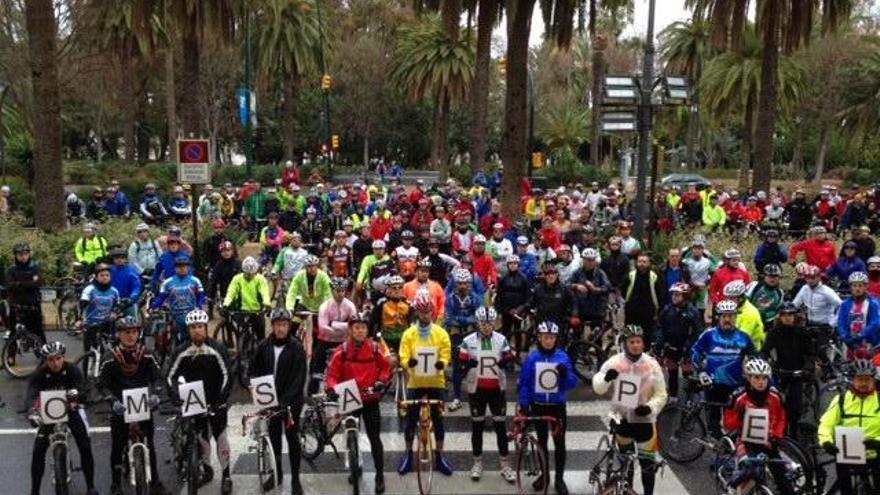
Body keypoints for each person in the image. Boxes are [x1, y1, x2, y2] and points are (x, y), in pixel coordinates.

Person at [592, 325, 668, 495]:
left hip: (645, 423)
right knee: (626, 468)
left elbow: (661, 395)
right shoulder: (615, 362)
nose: (635, 345)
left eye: (638, 342)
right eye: (631, 342)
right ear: (624, 344)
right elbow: (598, 387)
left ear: (643, 344)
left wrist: (649, 408)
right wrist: (605, 379)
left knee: (647, 467)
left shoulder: (651, 364)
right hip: (622, 421)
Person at [165, 309, 233, 494]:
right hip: (194, 400)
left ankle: (226, 475)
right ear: (188, 330)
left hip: (216, 399)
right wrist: (175, 397)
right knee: (201, 438)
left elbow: (228, 375)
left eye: (200, 327)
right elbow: (169, 376)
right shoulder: (181, 351)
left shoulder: (217, 348)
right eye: (193, 327)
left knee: (221, 437)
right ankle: (207, 470)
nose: (197, 331)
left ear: (206, 328)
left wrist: (221, 399)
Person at [325, 311, 392, 493]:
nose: (360, 331)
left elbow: (385, 369)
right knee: (349, 436)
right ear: (351, 330)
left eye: (363, 328)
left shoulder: (375, 348)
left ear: (367, 330)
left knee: (374, 438)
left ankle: (379, 474)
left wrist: (381, 381)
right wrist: (331, 388)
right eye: (356, 328)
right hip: (350, 398)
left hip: (370, 398)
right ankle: (354, 464)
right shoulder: (342, 351)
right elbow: (332, 375)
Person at [99, 317, 167, 495]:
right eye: (126, 332)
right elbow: (101, 384)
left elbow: (157, 377)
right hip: (120, 405)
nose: (130, 336)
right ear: (119, 334)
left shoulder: (147, 354)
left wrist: (156, 395)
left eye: (134, 332)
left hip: (143, 404)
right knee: (117, 443)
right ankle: (115, 484)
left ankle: (155, 481)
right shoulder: (110, 357)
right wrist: (112, 401)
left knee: (150, 443)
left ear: (139, 333)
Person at [248, 309, 308, 495]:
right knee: (274, 438)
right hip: (270, 401)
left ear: (288, 326)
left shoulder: (297, 347)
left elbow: (299, 379)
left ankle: (296, 479)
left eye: (284, 325)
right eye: (277, 325)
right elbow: (253, 369)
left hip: (291, 403)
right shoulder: (263, 346)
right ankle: (278, 473)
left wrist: (285, 402)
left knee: (292, 439)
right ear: (272, 326)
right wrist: (253, 385)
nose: (281, 329)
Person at [27, 342, 98, 495]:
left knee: (85, 445)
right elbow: (31, 395)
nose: (55, 363)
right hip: (49, 413)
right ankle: (34, 491)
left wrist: (78, 394)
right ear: (46, 360)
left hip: (71, 410)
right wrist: (31, 412)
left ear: (63, 357)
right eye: (50, 360)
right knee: (38, 450)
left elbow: (84, 390)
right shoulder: (39, 374)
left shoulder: (72, 370)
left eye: (58, 358)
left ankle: (90, 486)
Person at [518, 321, 578, 495]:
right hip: (538, 406)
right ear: (539, 338)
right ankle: (545, 475)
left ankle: (559, 478)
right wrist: (524, 404)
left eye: (552, 338)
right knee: (541, 441)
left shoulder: (563, 357)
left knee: (559, 443)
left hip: (557, 406)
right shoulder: (532, 358)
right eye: (545, 337)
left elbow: (572, 384)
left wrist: (565, 375)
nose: (549, 341)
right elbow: (524, 384)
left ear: (556, 339)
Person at [397, 295, 454, 476]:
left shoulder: (441, 333)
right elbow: (403, 355)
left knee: (438, 420)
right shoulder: (409, 334)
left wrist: (442, 363)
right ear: (417, 313)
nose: (425, 315)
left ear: (432, 312)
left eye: (428, 311)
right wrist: (408, 363)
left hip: (436, 382)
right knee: (411, 421)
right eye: (421, 312)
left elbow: (446, 353)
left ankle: (439, 456)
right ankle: (408, 455)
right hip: (416, 382)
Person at [459, 306, 517, 483]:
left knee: (500, 427)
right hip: (476, 390)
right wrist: (467, 364)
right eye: (483, 323)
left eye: (489, 323)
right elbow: (460, 366)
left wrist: (507, 361)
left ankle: (505, 465)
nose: (486, 327)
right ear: (478, 323)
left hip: (497, 390)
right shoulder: (467, 340)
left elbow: (509, 358)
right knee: (477, 427)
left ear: (494, 323)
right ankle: (477, 463)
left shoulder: (501, 339)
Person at [723, 359, 794, 495]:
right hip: (745, 442)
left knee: (783, 479)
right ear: (748, 378)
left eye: (764, 378)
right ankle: (731, 487)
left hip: (768, 442)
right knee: (749, 470)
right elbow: (728, 423)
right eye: (756, 377)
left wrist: (777, 435)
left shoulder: (775, 396)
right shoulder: (739, 397)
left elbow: (781, 418)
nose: (761, 382)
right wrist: (741, 418)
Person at [691, 299, 757, 437]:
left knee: (733, 424)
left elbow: (755, 359)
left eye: (731, 316)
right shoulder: (708, 335)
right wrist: (701, 372)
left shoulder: (744, 337)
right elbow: (695, 352)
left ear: (735, 317)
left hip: (734, 387)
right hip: (712, 386)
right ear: (718, 317)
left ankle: (729, 450)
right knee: (713, 426)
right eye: (724, 316)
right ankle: (717, 450)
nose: (728, 319)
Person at [818, 359, 880, 493]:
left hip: (875, 454)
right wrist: (826, 442)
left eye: (867, 380)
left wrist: (877, 442)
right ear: (853, 380)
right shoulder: (841, 399)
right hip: (846, 455)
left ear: (873, 381)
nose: (864, 383)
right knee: (846, 489)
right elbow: (826, 424)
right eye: (860, 380)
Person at [763, 302, 814, 438]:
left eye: (790, 314)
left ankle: (794, 434)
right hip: (780, 372)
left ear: (795, 316)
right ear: (779, 317)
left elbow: (810, 352)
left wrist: (807, 367)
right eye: (784, 315)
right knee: (777, 405)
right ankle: (780, 432)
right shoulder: (774, 332)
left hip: (797, 373)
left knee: (795, 407)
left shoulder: (802, 332)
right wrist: (769, 364)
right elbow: (765, 351)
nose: (787, 318)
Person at [655, 283, 703, 398]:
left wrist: (690, 346)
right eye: (673, 295)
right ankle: (673, 396)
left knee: (688, 375)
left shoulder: (693, 312)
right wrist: (659, 342)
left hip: (687, 348)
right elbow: (660, 327)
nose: (674, 297)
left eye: (677, 295)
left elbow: (697, 331)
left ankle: (690, 398)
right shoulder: (667, 310)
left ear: (685, 297)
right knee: (672, 373)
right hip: (671, 347)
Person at [311, 277, 358, 395]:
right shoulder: (324, 306)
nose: (340, 293)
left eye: (343, 291)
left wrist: (333, 325)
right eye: (338, 290)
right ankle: (312, 390)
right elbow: (322, 327)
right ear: (332, 290)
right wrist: (344, 328)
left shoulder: (350, 306)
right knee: (316, 364)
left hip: (343, 341)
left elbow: (354, 326)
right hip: (326, 340)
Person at [445, 269, 481, 411]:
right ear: (455, 284)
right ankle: (457, 397)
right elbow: (449, 320)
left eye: (465, 283)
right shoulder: (450, 298)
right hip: (456, 335)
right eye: (460, 283)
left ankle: (476, 393)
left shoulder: (475, 298)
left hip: (472, 334)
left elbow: (478, 319)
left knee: (474, 364)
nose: (462, 286)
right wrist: (467, 320)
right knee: (456, 365)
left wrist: (460, 319)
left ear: (469, 283)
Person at [150, 256, 205, 344]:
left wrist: (199, 306)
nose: (182, 268)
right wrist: (154, 306)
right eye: (179, 266)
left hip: (191, 314)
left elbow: (201, 296)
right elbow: (161, 297)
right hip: (175, 314)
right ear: (175, 268)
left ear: (188, 267)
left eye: (184, 266)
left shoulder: (195, 281)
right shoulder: (167, 282)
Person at [222, 255, 271, 337]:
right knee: (241, 332)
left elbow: (264, 293)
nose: (250, 276)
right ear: (243, 271)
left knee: (261, 335)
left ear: (256, 271)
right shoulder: (237, 279)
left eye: (252, 274)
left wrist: (267, 304)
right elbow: (231, 292)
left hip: (257, 311)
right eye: (247, 274)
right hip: (242, 311)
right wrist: (226, 304)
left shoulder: (261, 279)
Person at [6, 242, 45, 343]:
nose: (23, 256)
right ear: (15, 255)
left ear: (29, 254)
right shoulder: (12, 269)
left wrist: (19, 283)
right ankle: (10, 356)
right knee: (13, 332)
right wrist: (29, 282)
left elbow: (38, 283)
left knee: (39, 331)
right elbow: (10, 286)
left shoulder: (35, 267)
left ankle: (44, 355)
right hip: (16, 304)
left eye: (25, 254)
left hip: (33, 303)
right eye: (20, 254)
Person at [623, 254, 665, 347]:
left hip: (648, 313)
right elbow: (623, 290)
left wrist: (658, 310)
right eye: (640, 261)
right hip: (631, 312)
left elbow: (660, 294)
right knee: (630, 336)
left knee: (647, 337)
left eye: (644, 262)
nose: (642, 264)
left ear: (649, 263)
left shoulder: (654, 277)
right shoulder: (631, 275)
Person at [837, 271, 880, 355]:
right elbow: (841, 323)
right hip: (851, 344)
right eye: (854, 285)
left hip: (871, 343)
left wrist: (861, 335)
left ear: (866, 286)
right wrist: (846, 337)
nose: (857, 288)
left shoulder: (873, 303)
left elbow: (876, 323)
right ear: (850, 287)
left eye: (860, 285)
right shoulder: (845, 304)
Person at [723, 280, 766, 350]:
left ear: (740, 298)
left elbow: (742, 339)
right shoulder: (735, 308)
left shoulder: (750, 313)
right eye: (726, 298)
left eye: (731, 298)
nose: (728, 301)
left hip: (751, 350)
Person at [108, 247, 142, 319]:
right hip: (111, 302)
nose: (120, 260)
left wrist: (131, 298)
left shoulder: (132, 270)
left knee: (133, 324)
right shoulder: (108, 270)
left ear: (126, 259)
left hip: (128, 302)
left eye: (122, 257)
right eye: (117, 258)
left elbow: (136, 287)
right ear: (113, 259)